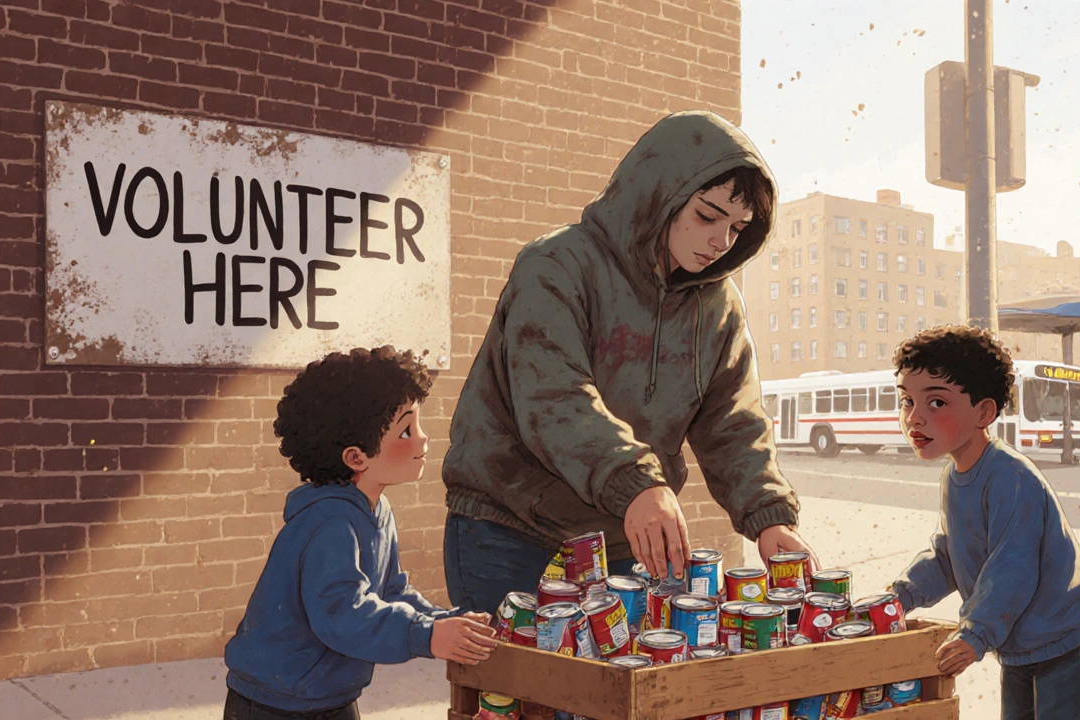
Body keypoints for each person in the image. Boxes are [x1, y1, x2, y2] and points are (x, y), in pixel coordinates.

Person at [441, 110, 812, 615]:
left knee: (619, 690)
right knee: (516, 692)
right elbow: (554, 398)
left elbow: (734, 425)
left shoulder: (718, 306)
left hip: (622, 539)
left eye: (739, 227)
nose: (721, 241)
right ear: (658, 193)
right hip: (508, 530)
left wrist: (769, 518)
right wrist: (638, 484)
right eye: (708, 216)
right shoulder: (556, 265)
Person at [223, 347, 496, 720]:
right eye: (406, 429)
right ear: (356, 457)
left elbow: (392, 591)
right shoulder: (331, 523)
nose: (423, 439)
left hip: (329, 696)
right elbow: (343, 616)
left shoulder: (376, 510)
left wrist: (442, 620)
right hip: (276, 704)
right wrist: (425, 637)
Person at [888, 326, 1080, 720]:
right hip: (1020, 648)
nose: (915, 418)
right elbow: (948, 556)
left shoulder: (1010, 476)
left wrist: (975, 635)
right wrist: (899, 598)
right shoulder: (954, 477)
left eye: (936, 403)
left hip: (1069, 644)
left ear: (984, 412)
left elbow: (1012, 567)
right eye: (907, 401)